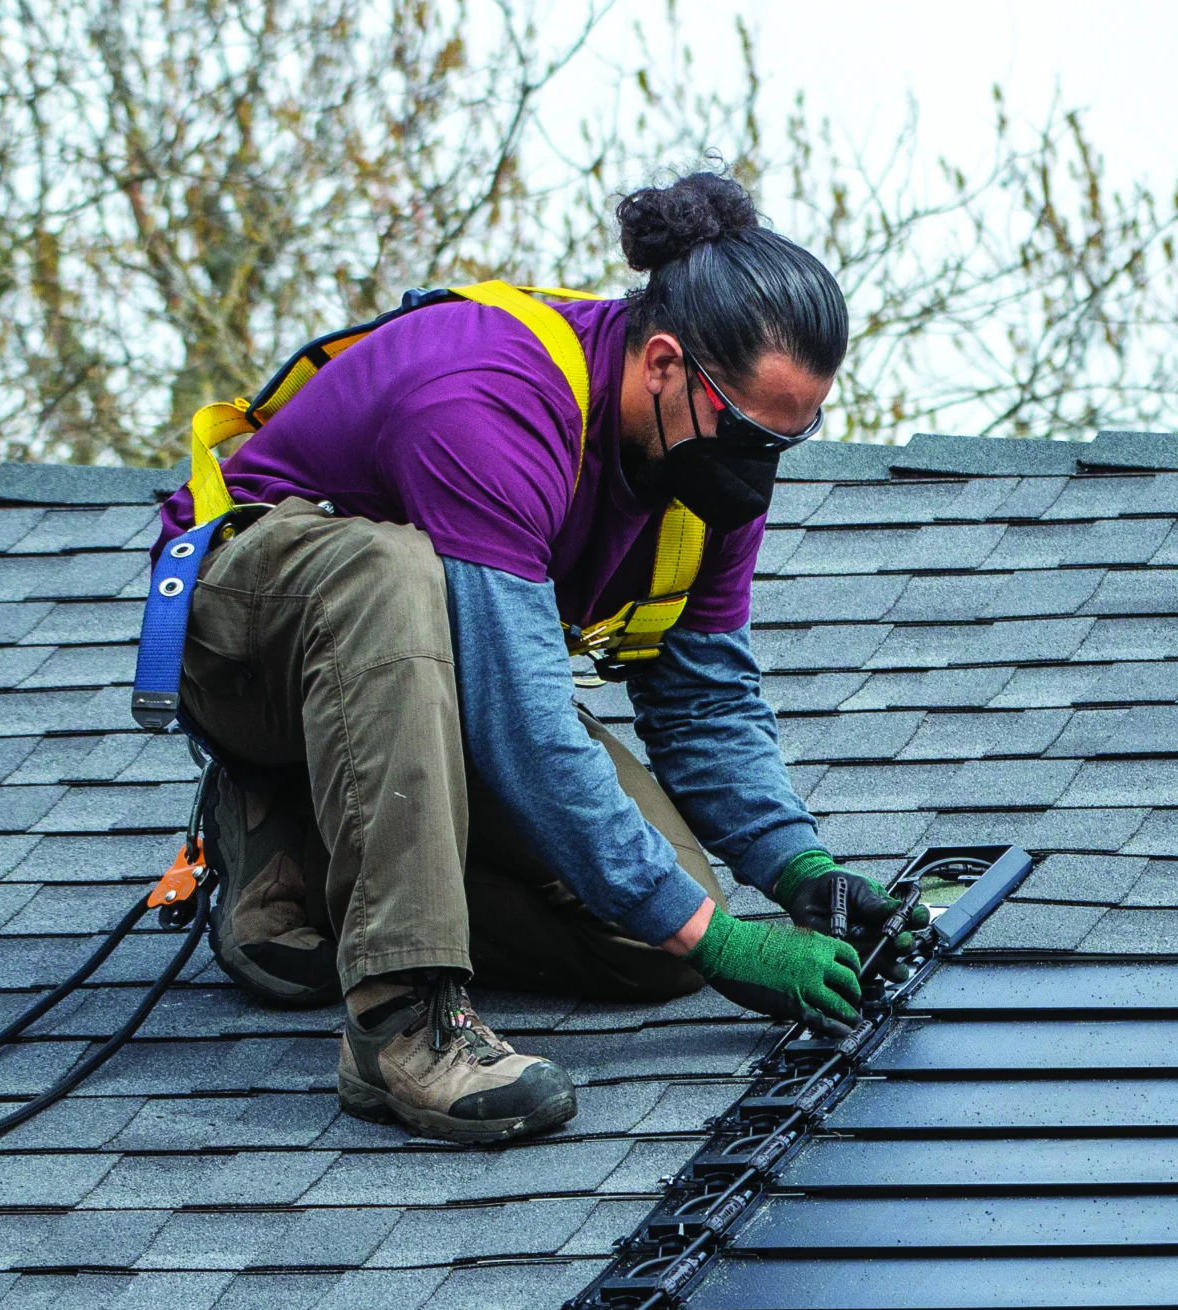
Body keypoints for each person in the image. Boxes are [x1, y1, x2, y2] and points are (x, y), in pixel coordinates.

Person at [156, 170, 921, 1145]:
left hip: (417, 691)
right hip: (249, 638)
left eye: (790, 437)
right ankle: (401, 1021)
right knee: (391, 569)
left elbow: (705, 704)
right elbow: (519, 725)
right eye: (745, 430)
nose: (759, 464)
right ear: (661, 364)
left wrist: (797, 869)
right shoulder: (494, 395)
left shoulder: (707, 471)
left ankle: (300, 851)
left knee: (658, 941)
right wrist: (729, 942)